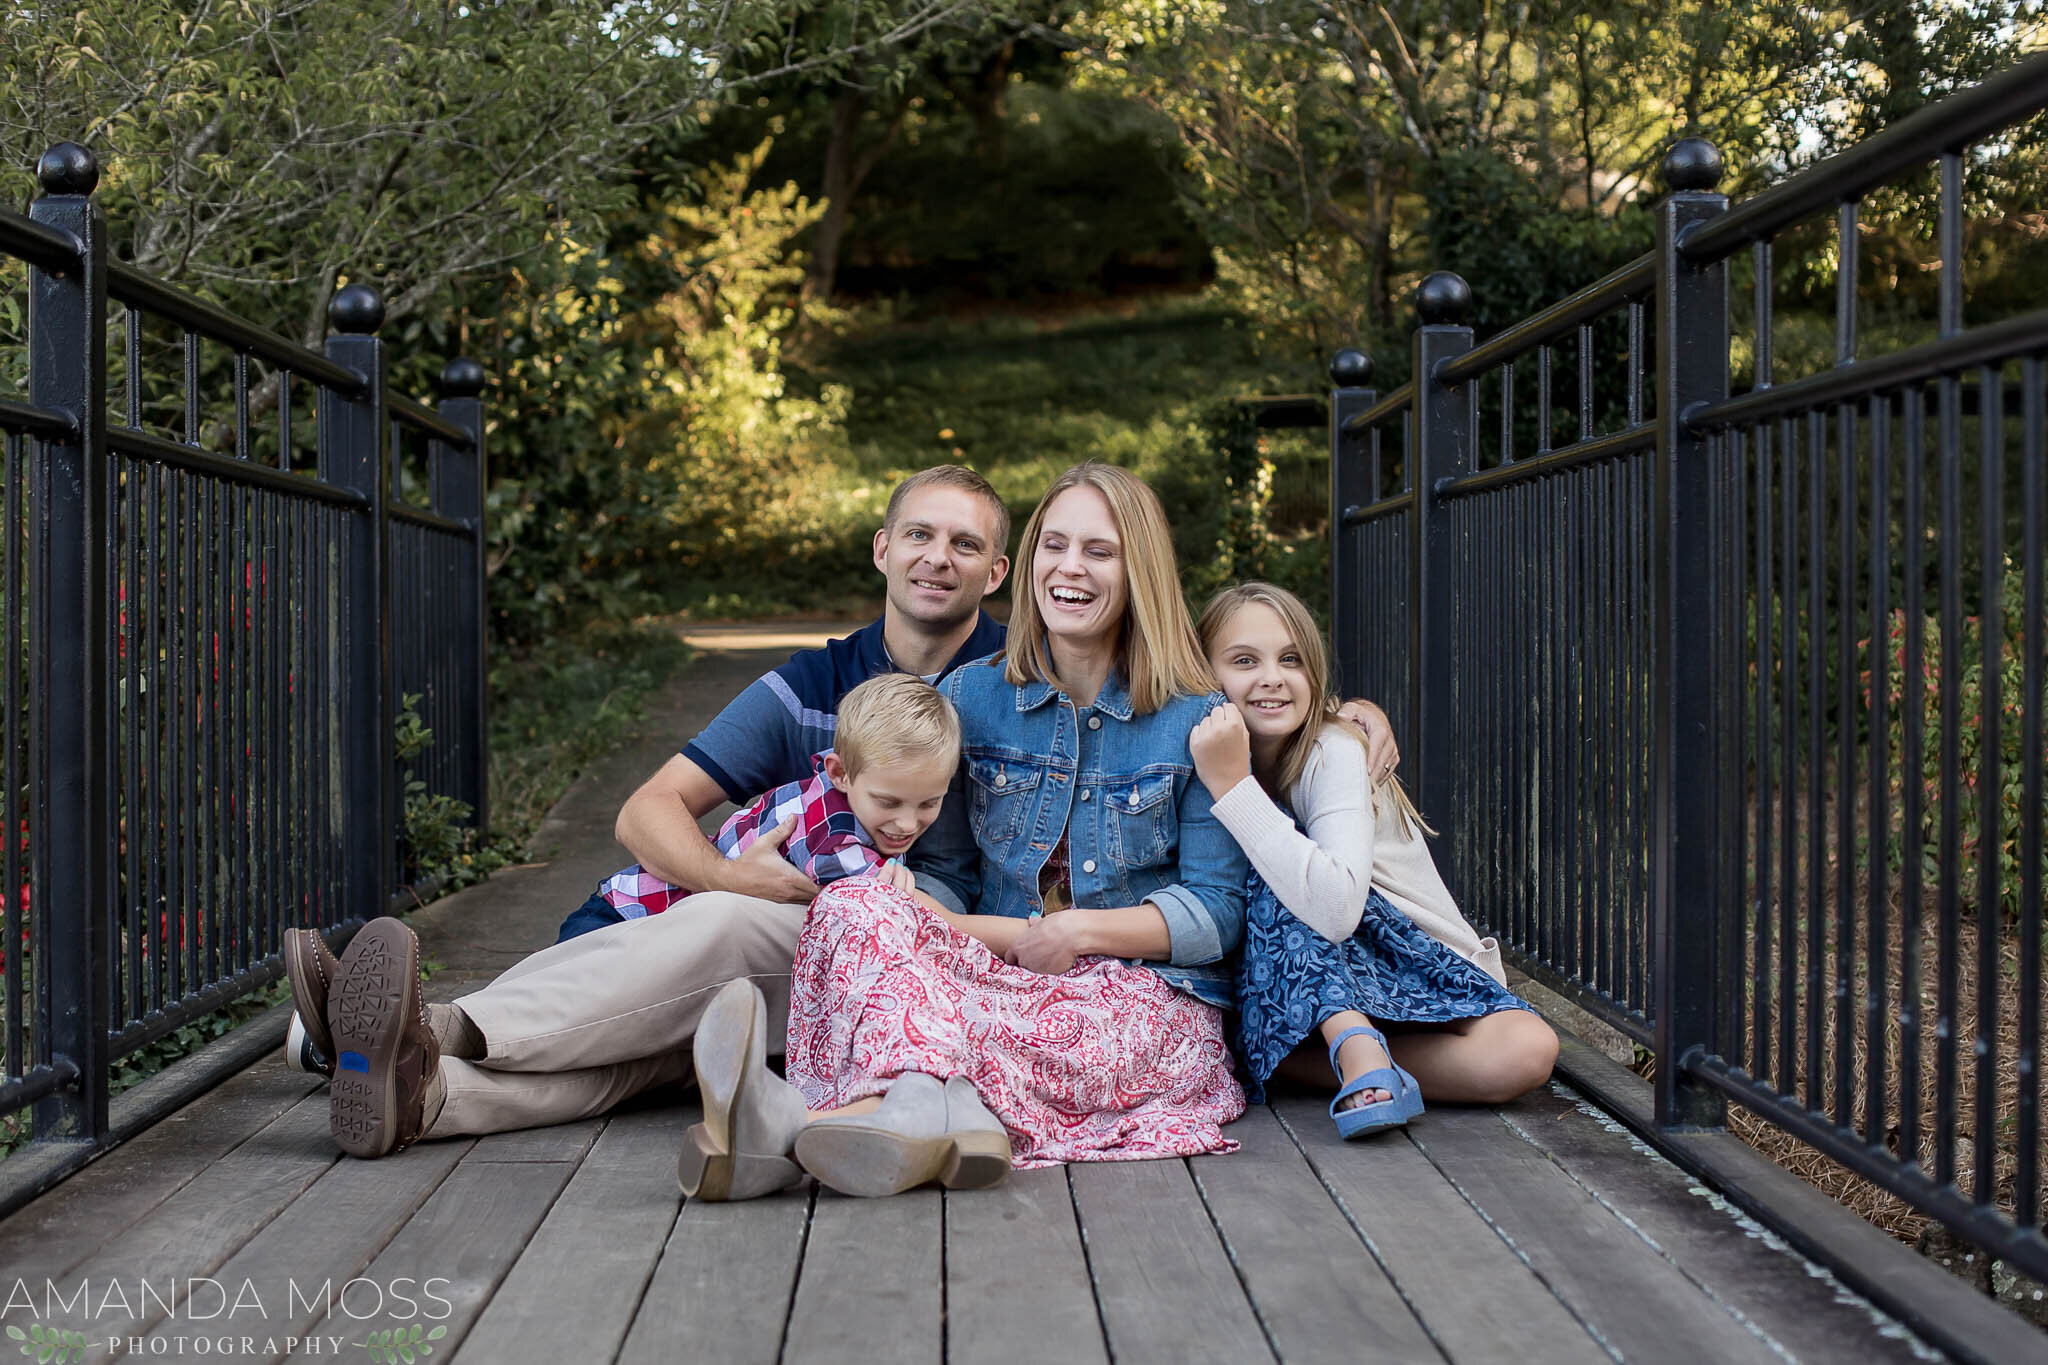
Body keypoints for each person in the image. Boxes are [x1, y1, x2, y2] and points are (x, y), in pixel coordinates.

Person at [284, 464, 1013, 1157]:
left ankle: (424, 1026)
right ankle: (429, 1094)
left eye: (965, 543)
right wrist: (731, 873)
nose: (938, 557)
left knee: (718, 930)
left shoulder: (1022, 685)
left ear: (996, 572)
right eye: (920, 534)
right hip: (783, 951)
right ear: (884, 549)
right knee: (658, 1045)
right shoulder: (812, 682)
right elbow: (647, 811)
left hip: (909, 958)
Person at [683, 463, 1251, 1200]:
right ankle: (920, 1104)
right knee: (854, 902)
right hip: (993, 968)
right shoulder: (971, 694)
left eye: (1099, 551)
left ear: (1138, 568)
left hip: (1136, 1001)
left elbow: (1217, 912)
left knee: (1000, 1022)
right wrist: (909, 897)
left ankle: (796, 1120)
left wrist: (1080, 933)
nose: (1069, 568)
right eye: (1054, 544)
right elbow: (945, 865)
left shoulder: (1193, 718)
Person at [1189, 581, 1557, 1138]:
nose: (1272, 677)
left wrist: (1236, 790)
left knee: (1527, 1051)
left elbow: (1335, 910)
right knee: (1271, 870)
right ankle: (1342, 1056)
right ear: (1204, 676)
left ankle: (1344, 1053)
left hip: (1410, 959)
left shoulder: (1331, 749)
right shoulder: (1195, 746)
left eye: (1292, 659)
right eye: (1244, 661)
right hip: (1307, 979)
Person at [555, 673, 959, 942]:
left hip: (644, 915)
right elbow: (939, 925)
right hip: (632, 918)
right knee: (552, 1021)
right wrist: (1016, 936)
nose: (907, 821)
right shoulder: (839, 843)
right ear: (841, 773)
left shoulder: (836, 786)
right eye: (888, 802)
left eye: (929, 802)